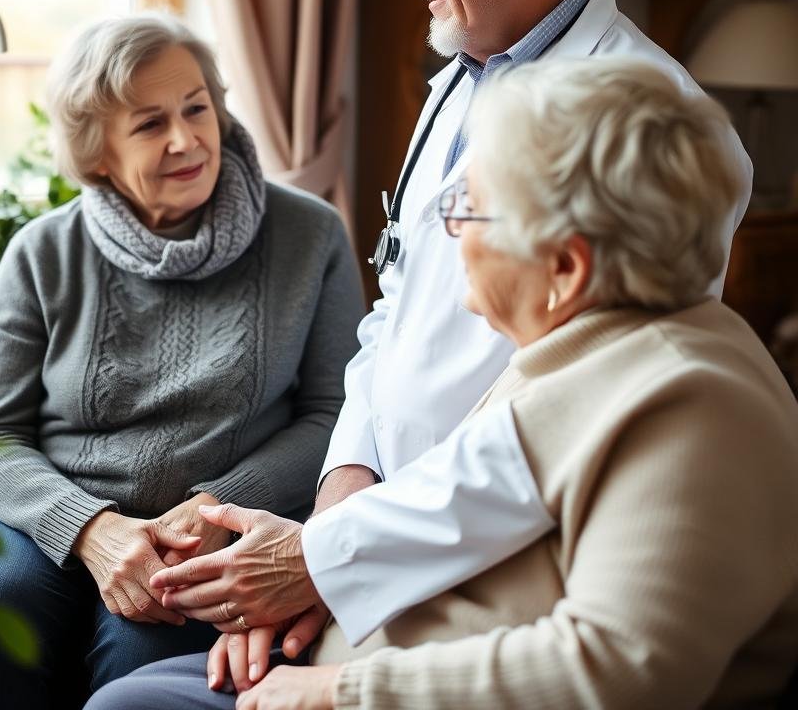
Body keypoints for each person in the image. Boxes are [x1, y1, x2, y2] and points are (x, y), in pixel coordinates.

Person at [93, 0, 755, 686]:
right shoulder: (461, 76)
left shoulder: (659, 123)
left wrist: (329, 565)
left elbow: (574, 419)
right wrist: (338, 509)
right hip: (373, 539)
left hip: (481, 571)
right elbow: (394, 311)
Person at [89, 58, 798, 709]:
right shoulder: (580, 353)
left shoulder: (695, 408)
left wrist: (341, 689)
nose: (449, 234)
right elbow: (450, 504)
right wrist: (314, 571)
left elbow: (616, 668)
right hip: (364, 646)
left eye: (470, 210)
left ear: (565, 269)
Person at [0, 12, 364, 709]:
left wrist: (216, 505)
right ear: (97, 152)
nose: (187, 139)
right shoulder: (44, 252)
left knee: (140, 664)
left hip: (215, 529)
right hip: (50, 518)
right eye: (150, 124)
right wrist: (91, 530)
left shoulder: (311, 233)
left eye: (197, 109)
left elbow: (335, 414)